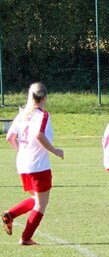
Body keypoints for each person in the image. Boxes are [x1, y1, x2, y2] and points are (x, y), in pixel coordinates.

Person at [3, 82, 64, 245]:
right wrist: (55, 151)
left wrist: (23, 152)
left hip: (22, 164)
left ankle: (11, 214)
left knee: (36, 198)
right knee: (41, 204)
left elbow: (9, 137)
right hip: (38, 166)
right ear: (44, 97)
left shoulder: (22, 114)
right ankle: (25, 238)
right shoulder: (42, 115)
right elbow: (39, 135)